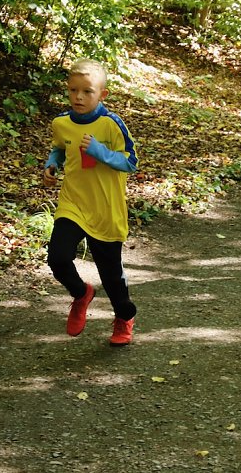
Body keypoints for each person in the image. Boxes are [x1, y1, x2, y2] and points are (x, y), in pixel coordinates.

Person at [43, 59, 139, 346]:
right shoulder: (61, 122)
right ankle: (81, 293)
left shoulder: (111, 125)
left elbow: (131, 162)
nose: (79, 97)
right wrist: (51, 165)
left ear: (102, 95)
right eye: (73, 90)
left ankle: (125, 315)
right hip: (73, 203)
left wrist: (99, 151)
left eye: (87, 91)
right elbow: (60, 148)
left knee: (111, 278)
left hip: (105, 208)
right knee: (57, 258)